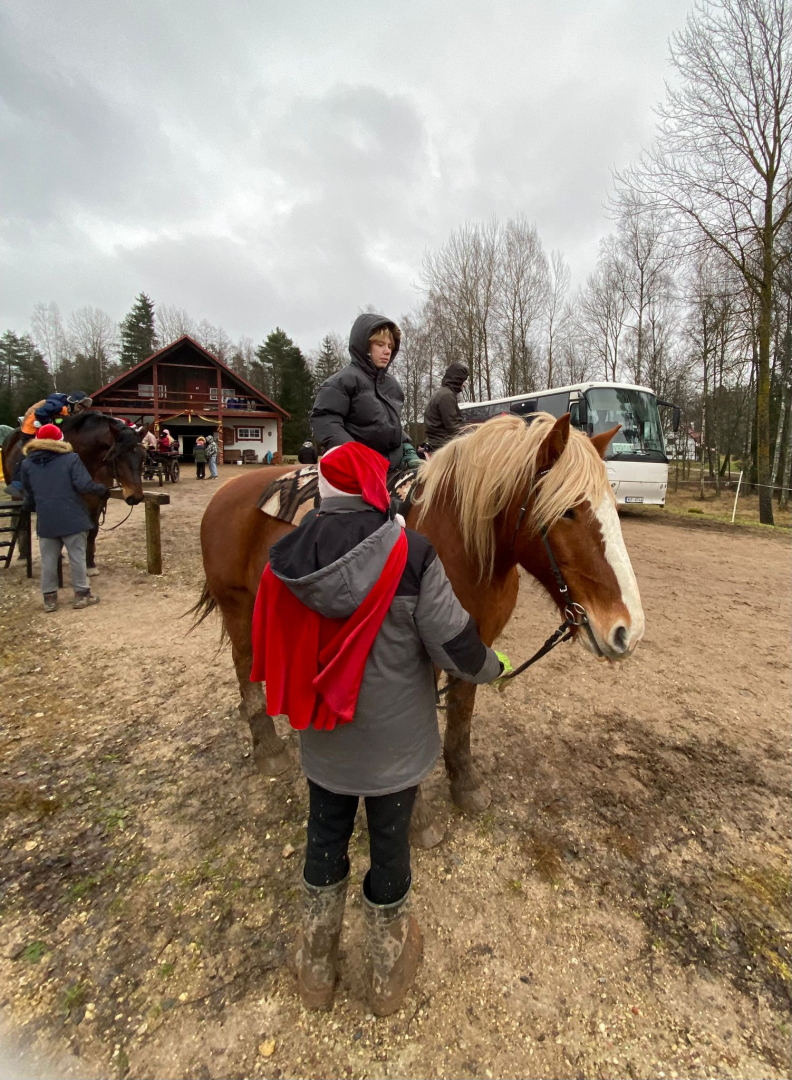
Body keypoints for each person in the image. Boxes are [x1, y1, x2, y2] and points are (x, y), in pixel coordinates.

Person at [251, 442, 511, 1016]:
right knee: (390, 847)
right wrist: (496, 668)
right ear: (376, 487)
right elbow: (455, 645)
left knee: (324, 838)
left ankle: (317, 967)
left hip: (323, 739)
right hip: (396, 749)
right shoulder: (412, 553)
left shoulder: (287, 554)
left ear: (323, 491)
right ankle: (388, 974)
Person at [311, 313, 421, 472]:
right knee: (342, 498)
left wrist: (407, 448)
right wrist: (354, 454)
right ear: (365, 346)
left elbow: (390, 426)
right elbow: (326, 421)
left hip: (392, 468)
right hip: (355, 469)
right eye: (380, 344)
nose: (387, 351)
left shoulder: (393, 386)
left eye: (390, 346)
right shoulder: (341, 382)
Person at [20, 424, 108, 612]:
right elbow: (84, 485)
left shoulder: (27, 463)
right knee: (77, 556)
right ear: (60, 439)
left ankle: (49, 599)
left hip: (46, 518)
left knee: (48, 560)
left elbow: (28, 492)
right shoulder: (71, 458)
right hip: (72, 516)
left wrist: (36, 506)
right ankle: (81, 595)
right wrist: (102, 490)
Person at [423, 362, 469, 452]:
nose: (464, 385)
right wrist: (469, 439)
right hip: (443, 445)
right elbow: (453, 427)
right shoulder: (447, 396)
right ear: (457, 379)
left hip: (437, 443)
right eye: (463, 381)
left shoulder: (442, 393)